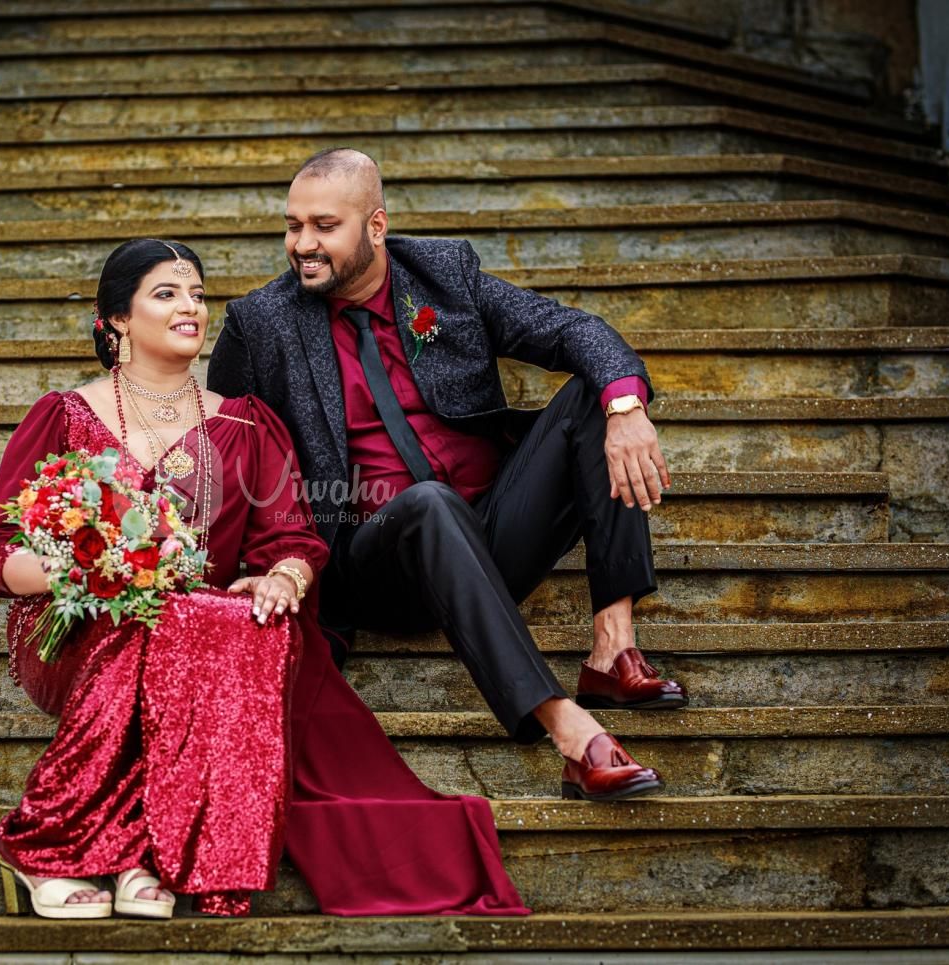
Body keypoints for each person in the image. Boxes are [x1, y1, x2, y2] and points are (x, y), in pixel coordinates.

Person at [0, 238, 530, 921]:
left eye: (198, 294)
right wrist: (91, 568)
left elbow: (290, 538)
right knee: (144, 616)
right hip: (76, 626)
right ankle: (45, 845)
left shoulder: (245, 422)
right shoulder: (64, 416)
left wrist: (284, 578)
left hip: (195, 634)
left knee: (223, 619)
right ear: (116, 318)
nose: (190, 307)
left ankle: (140, 853)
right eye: (167, 293)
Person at [208, 148, 686, 803]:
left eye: (324, 226)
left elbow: (569, 329)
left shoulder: (443, 276)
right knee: (429, 502)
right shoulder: (261, 323)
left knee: (593, 396)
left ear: (376, 226)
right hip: (376, 562)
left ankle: (612, 648)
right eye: (294, 226)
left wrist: (626, 408)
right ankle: (569, 728)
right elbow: (230, 452)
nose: (303, 244)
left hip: (489, 528)